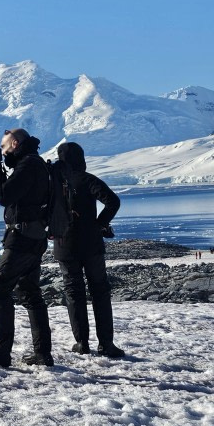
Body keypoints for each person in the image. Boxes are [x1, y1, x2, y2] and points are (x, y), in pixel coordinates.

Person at [0, 128, 54, 368]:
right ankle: (42, 353)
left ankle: (1, 351)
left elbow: (4, 196)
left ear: (15, 143)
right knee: (29, 292)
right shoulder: (34, 163)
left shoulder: (28, 165)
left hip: (22, 238)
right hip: (34, 236)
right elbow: (13, 192)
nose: (2, 152)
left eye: (4, 147)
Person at [52, 142, 124, 358]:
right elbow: (113, 202)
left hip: (64, 244)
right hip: (91, 243)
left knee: (73, 292)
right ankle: (106, 344)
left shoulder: (53, 182)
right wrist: (99, 224)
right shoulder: (87, 179)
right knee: (100, 291)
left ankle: (81, 342)